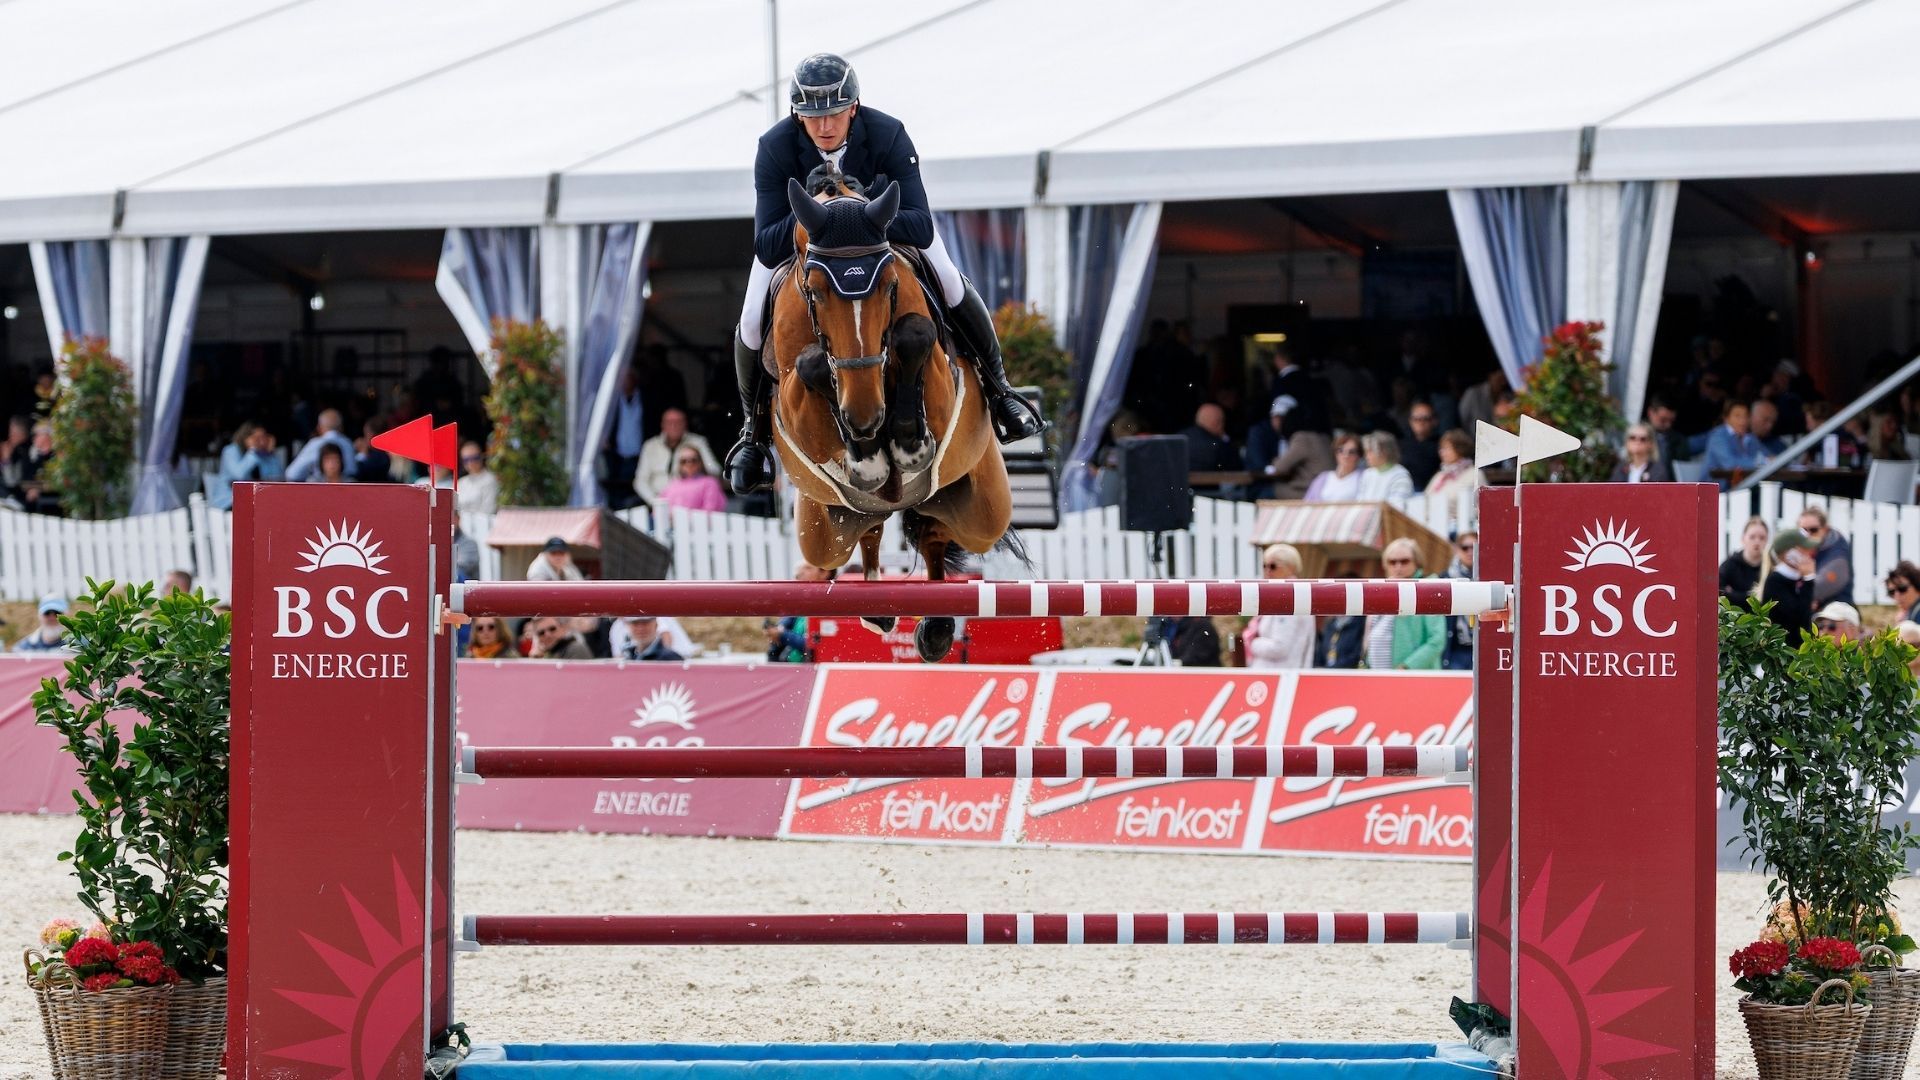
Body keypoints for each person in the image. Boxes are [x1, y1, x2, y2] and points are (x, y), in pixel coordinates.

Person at [723, 53, 1044, 493]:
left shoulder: (888, 133)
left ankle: (1001, 389)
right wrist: (817, 208)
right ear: (798, 113)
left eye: (834, 113)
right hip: (810, 249)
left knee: (948, 279)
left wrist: (855, 201)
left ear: (853, 107)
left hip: (881, 238)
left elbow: (919, 221)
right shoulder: (775, 146)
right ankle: (751, 434)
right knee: (751, 320)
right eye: (813, 116)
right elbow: (766, 242)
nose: (825, 126)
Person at [1363, 538, 1443, 670]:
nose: (1398, 566)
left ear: (1417, 563)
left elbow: (1436, 640)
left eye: (1404, 561)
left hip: (1412, 678)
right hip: (1378, 675)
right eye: (1392, 562)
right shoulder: (1381, 589)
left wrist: (1407, 667)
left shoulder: (1428, 588)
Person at [1244, 544, 1315, 669]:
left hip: (1280, 676)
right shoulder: (1292, 593)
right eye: (1264, 566)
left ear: (1291, 568)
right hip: (1279, 675)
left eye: (1273, 566)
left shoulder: (1289, 595)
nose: (1267, 571)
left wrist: (1252, 642)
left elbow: (1279, 647)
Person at [636, 408, 720, 510]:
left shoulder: (698, 442)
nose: (674, 426)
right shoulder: (650, 445)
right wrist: (655, 502)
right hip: (656, 502)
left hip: (690, 502)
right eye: (670, 422)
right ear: (662, 425)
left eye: (678, 422)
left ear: (685, 424)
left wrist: (697, 474)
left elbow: (714, 469)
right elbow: (640, 481)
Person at [1263, 401, 1334, 501]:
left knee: (1266, 491)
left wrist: (1274, 460)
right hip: (1327, 489)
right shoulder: (1324, 437)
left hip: (1311, 491)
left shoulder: (1302, 438)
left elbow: (1279, 468)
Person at [1761, 528, 1817, 644]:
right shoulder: (1775, 581)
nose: (1809, 553)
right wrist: (1808, 579)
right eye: (1803, 549)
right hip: (1783, 651)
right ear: (1788, 553)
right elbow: (1799, 616)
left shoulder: (1798, 578)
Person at [767, 562, 832, 661]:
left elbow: (817, 646)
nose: (799, 573)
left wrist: (782, 635)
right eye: (799, 568)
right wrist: (779, 629)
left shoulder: (829, 604)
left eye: (808, 568)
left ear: (825, 573)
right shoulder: (803, 600)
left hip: (808, 667)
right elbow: (788, 619)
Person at [603, 366, 646, 508]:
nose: (624, 382)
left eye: (627, 378)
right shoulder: (611, 400)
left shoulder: (644, 398)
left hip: (638, 453)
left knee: (635, 488)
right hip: (615, 453)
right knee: (614, 489)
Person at [214, 422, 284, 507]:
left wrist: (270, 454)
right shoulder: (230, 451)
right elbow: (239, 475)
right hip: (230, 500)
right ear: (245, 437)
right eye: (256, 438)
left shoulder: (263, 453)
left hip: (256, 500)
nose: (261, 442)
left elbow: (277, 477)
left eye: (263, 437)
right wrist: (252, 452)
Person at [1795, 505, 1852, 606]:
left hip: (1837, 609)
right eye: (1803, 531)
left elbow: (1821, 587)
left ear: (1825, 529)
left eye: (1813, 530)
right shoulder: (1802, 549)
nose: (1808, 535)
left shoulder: (1838, 553)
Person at [285, 409, 357, 482]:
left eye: (336, 459)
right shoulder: (348, 443)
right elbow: (354, 470)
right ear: (341, 427)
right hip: (320, 484)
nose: (332, 464)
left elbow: (292, 474)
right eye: (328, 459)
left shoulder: (315, 443)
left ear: (319, 427)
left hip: (342, 485)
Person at [1440, 531, 1477, 671]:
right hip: (1456, 648)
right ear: (1457, 549)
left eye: (1474, 546)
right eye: (1465, 547)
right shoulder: (1445, 578)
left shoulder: (1490, 577)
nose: (1469, 552)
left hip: (1483, 646)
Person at [1704, 401, 1764, 483]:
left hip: (1742, 487)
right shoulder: (1718, 436)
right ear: (1726, 418)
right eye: (1737, 416)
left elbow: (1766, 455)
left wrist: (1767, 460)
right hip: (1715, 490)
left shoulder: (1750, 437)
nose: (1743, 421)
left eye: (1746, 416)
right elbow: (1730, 464)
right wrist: (1759, 461)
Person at [657, 448, 728, 513]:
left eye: (693, 460)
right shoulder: (672, 484)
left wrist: (683, 517)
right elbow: (659, 510)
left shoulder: (710, 482)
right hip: (671, 526)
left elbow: (710, 510)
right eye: (684, 461)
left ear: (700, 462)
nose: (689, 464)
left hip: (700, 525)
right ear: (679, 465)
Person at [1720, 517, 1768, 606]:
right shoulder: (1730, 565)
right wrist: (1751, 595)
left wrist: (1733, 594)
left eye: (1762, 538)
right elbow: (1719, 593)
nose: (1757, 542)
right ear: (1743, 539)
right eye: (1752, 537)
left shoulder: (1770, 567)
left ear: (1767, 540)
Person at [1356, 431, 1414, 502]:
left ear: (1384, 451)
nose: (1366, 456)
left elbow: (1396, 507)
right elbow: (1360, 502)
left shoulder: (1400, 475)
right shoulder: (1367, 474)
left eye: (1370, 451)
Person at [1305, 434, 1365, 501]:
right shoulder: (1322, 477)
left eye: (1351, 452)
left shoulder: (1364, 477)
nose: (1346, 455)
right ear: (1335, 453)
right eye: (1341, 450)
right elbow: (1307, 503)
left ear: (1359, 456)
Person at [1424, 429, 1481, 500]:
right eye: (1441, 448)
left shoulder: (1474, 474)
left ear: (1460, 449)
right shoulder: (1440, 475)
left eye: (1447, 448)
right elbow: (1425, 497)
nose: (1442, 453)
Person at [1610, 422, 1675, 483]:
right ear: (1627, 442)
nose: (1637, 441)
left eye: (1643, 439)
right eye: (1632, 438)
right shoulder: (1620, 468)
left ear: (1651, 444)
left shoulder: (1658, 470)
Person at [1398, 402, 1440, 489]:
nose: (1421, 422)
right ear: (1410, 421)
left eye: (1425, 419)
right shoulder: (1401, 446)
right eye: (1416, 419)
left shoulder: (1442, 445)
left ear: (1434, 421)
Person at [457, 442, 499, 517]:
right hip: (460, 526)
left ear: (482, 457)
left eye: (475, 458)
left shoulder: (490, 479)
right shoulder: (461, 482)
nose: (471, 462)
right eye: (466, 460)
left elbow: (488, 511)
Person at [620, 615, 685, 662]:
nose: (640, 628)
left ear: (656, 625)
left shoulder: (670, 658)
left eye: (645, 623)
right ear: (628, 627)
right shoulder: (627, 655)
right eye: (635, 623)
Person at [527, 616, 593, 660]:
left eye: (552, 629)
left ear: (563, 628)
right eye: (541, 633)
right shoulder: (544, 654)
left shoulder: (575, 648)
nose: (547, 635)